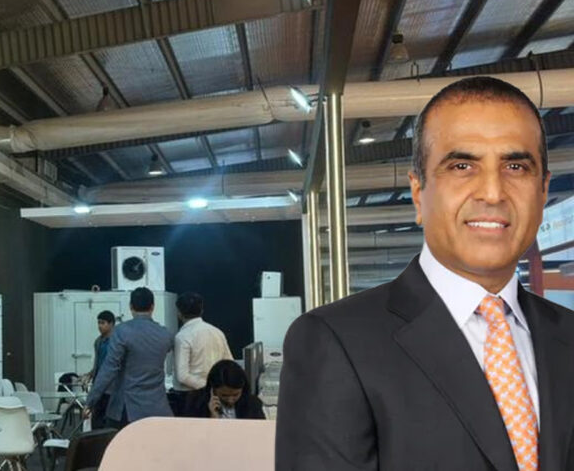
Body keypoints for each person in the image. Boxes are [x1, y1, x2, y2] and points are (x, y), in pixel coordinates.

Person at [277, 76, 574, 470]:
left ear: (543, 190)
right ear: (418, 192)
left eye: (516, 166)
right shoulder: (335, 343)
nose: (492, 192)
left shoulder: (567, 336)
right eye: (462, 166)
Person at [86, 287, 175, 428]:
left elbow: (109, 368)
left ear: (131, 307)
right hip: (158, 408)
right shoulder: (166, 334)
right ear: (152, 307)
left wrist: (91, 400)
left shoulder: (121, 332)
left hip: (127, 410)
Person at [172, 292, 233, 391]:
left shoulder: (182, 336)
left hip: (191, 395)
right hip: (216, 391)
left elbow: (182, 376)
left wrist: (207, 388)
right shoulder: (217, 332)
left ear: (179, 313)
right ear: (202, 310)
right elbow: (229, 364)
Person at [183, 360, 266, 420]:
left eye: (235, 395)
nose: (230, 400)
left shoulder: (253, 404)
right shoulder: (195, 402)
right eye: (224, 395)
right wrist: (212, 418)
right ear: (213, 389)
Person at [87, 310, 116, 429]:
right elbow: (98, 363)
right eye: (98, 323)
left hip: (112, 387)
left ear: (111, 324)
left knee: (109, 420)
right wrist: (90, 374)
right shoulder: (98, 341)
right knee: (96, 419)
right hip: (98, 385)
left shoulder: (117, 341)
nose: (100, 326)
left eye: (103, 323)